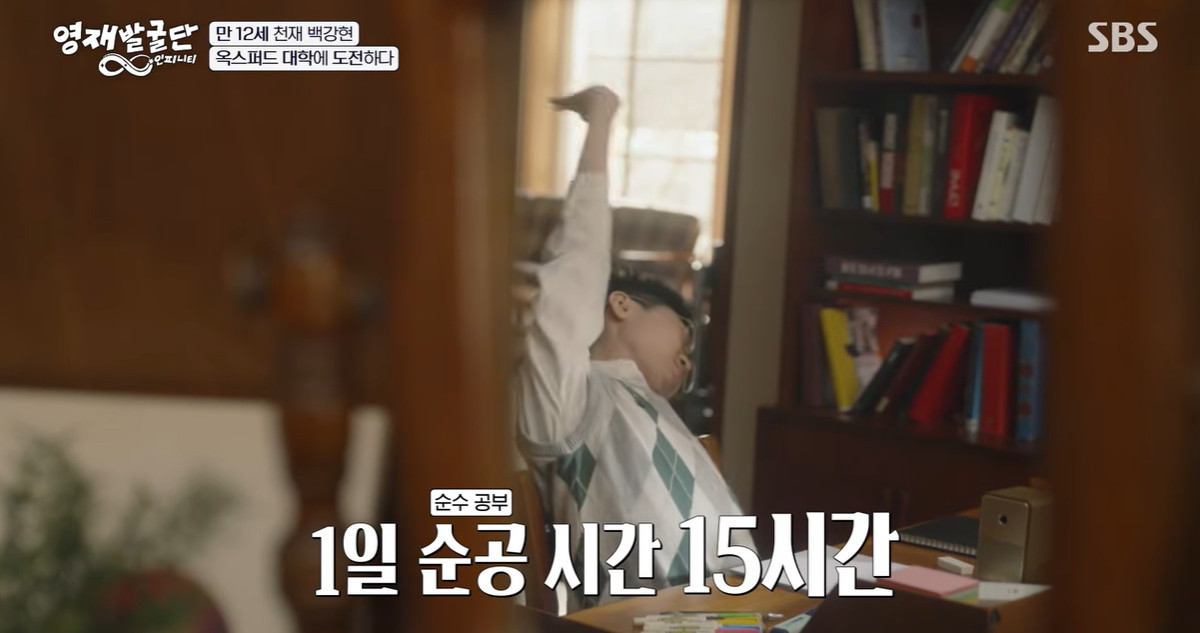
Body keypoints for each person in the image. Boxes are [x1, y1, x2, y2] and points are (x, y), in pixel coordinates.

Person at [516, 85, 757, 611]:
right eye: (683, 334)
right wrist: (602, 121)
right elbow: (578, 264)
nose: (687, 361)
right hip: (650, 619)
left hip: (742, 608)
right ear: (622, 305)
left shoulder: (659, 416)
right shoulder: (572, 400)